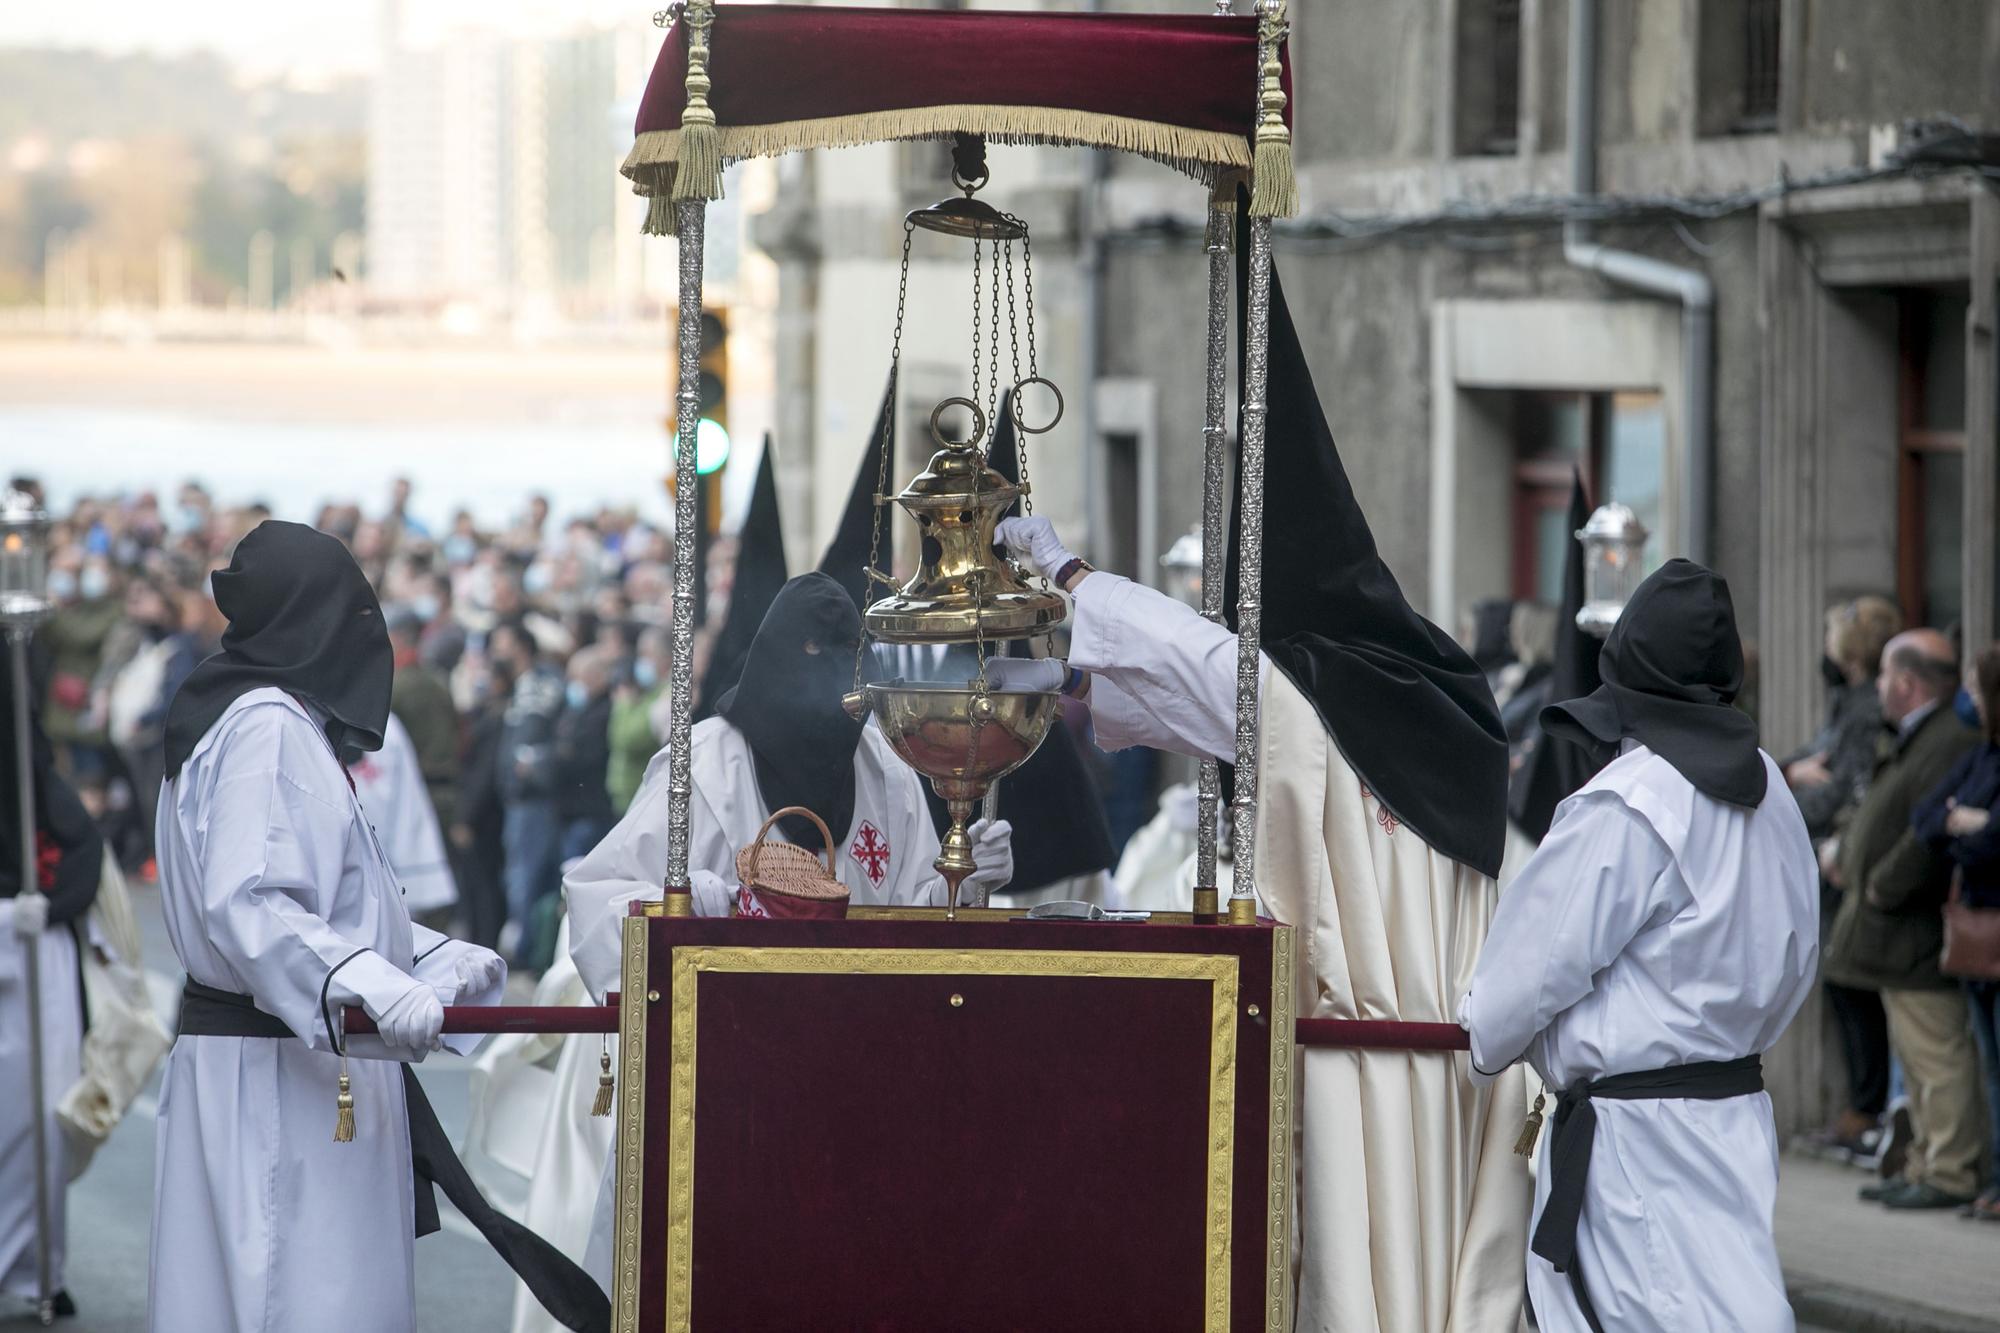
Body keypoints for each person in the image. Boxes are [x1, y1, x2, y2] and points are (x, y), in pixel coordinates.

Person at [996, 234, 1530, 1330]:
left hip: (1358, 1041)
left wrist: (1065, 574)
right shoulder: (1430, 687)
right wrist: (1069, 667)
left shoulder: (1304, 690)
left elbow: (1203, 670)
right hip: (1444, 1058)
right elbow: (1188, 681)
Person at [147, 521, 600, 1333]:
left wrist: (429, 954)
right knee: (299, 1296)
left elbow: (327, 904)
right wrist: (377, 983)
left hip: (285, 1063)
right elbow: (251, 900)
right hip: (281, 1077)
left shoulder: (267, 720)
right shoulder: (265, 725)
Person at [565, 572, 1015, 1284]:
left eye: (844, 659)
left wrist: (966, 880)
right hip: (720, 1084)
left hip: (857, 1077)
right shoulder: (703, 766)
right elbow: (597, 893)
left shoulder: (883, 767)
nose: (830, 684)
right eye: (812, 655)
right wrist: (701, 901)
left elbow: (907, 914)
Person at [1459, 559, 1818, 1332]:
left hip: (1636, 1134)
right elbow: (1795, 959)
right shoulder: (1773, 788)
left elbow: (1516, 984)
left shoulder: (1633, 800)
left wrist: (1480, 1045)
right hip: (1731, 1111)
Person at [1824, 629, 1981, 1210]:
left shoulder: (1946, 741)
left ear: (1909, 684)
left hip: (1913, 933)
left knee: (1937, 1059)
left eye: (1887, 677)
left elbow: (1926, 837)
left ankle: (1949, 1172)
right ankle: (1924, 1163)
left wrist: (1881, 887)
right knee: (1917, 1062)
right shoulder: (1923, 737)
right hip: (1897, 935)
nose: (1880, 688)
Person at [1, 660, 104, 1318]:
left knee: (38, 1116)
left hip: (35, 949)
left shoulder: (28, 764)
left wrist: (42, 906)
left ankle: (35, 1263)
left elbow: (76, 845)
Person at [1785, 595, 1901, 1158]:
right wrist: (1787, 772)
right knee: (1839, 982)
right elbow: (1808, 759)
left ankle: (1867, 1109)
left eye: (1833, 633)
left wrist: (1785, 792)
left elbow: (1844, 786)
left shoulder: (1863, 709)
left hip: (1844, 861)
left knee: (1852, 986)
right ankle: (1860, 1108)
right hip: (1830, 858)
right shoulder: (1846, 701)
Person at [1912, 643, 2000, 1221]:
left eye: (1975, 684)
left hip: (1990, 923)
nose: (1967, 696)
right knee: (1990, 1066)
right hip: (1976, 936)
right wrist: (1964, 823)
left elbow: (1995, 843)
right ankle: (1994, 1182)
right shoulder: (1981, 756)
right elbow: (1924, 819)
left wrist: (1970, 828)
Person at [488, 620, 564, 960]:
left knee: (526, 876)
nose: (494, 651)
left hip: (532, 799)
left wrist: (528, 770)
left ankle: (527, 952)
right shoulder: (518, 687)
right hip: (517, 798)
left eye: (501, 643)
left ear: (520, 647)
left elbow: (542, 741)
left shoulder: (540, 687)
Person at [386, 608, 460, 838]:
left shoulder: (393, 686)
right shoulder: (438, 682)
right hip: (447, 793)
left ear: (398, 637)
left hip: (414, 794)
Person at [606, 627, 670, 815]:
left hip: (644, 799)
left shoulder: (668, 693)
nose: (642, 661)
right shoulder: (646, 691)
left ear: (667, 657)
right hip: (625, 799)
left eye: (647, 654)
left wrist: (623, 705)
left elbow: (629, 738)